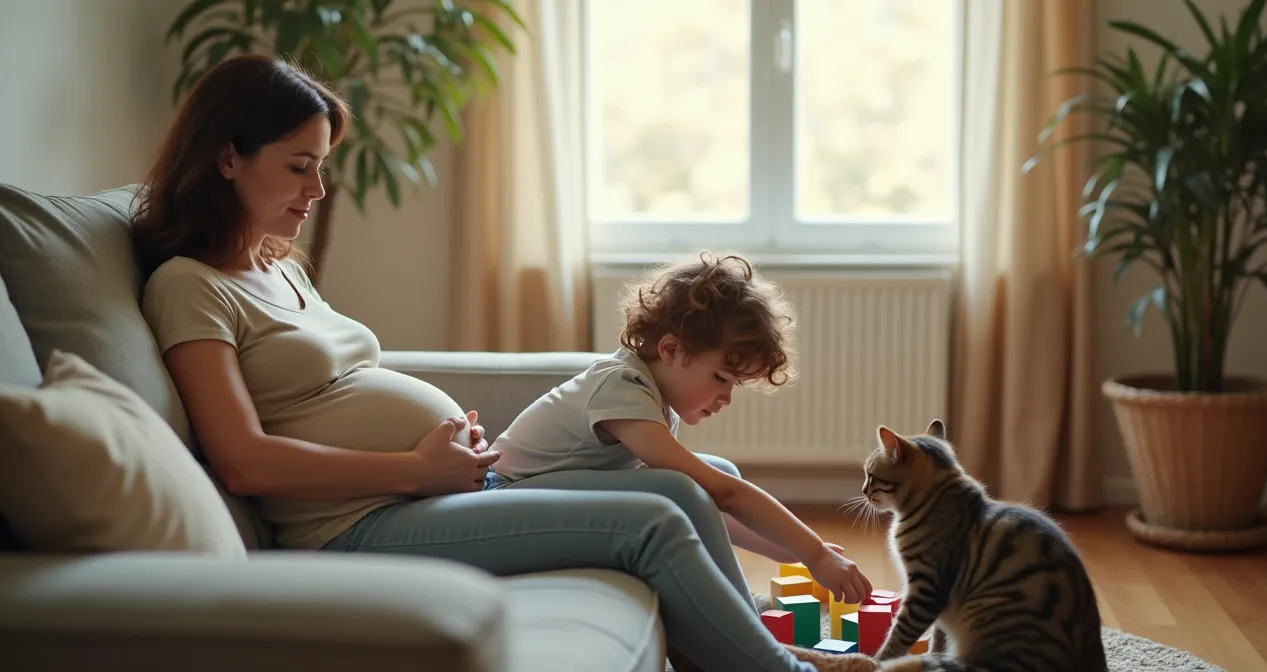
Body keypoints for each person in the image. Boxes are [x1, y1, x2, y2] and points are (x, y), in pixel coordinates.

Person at [131, 54, 877, 672]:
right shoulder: (189, 286)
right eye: (299, 167)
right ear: (228, 156)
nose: (317, 190)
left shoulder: (281, 270)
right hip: (357, 524)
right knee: (653, 518)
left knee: (678, 492)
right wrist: (414, 472)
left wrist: (441, 466)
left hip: (441, 492)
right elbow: (243, 463)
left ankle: (753, 645)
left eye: (321, 165)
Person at [487, 251, 874, 606]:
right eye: (721, 376)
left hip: (543, 498)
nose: (725, 398)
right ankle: (735, 615)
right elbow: (722, 495)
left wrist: (793, 552)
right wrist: (814, 552)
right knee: (686, 484)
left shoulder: (650, 396)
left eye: (733, 384)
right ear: (671, 350)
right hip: (504, 501)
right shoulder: (621, 388)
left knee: (717, 470)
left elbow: (712, 504)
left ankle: (736, 603)